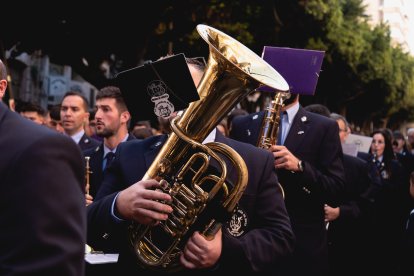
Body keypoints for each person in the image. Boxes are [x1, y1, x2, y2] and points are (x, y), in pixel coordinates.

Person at [87, 57, 294, 275]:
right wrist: (118, 205)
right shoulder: (129, 152)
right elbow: (87, 226)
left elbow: (281, 238)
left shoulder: (255, 160)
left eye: (184, 86)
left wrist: (226, 250)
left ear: (211, 93)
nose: (173, 98)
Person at [230, 93, 345, 276]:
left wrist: (300, 167)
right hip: (252, 247)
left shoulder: (325, 127)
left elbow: (335, 190)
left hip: (302, 250)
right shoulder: (242, 124)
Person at [0, 71, 86, 274]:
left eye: (74, 109)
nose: (67, 114)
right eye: (64, 108)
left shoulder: (40, 148)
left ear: (2, 87)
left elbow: (49, 264)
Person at [83, 86, 136, 206]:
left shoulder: (143, 155)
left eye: (106, 109)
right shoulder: (85, 157)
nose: (97, 115)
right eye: (97, 109)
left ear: (125, 117)